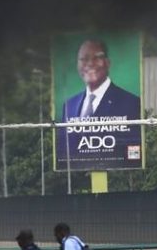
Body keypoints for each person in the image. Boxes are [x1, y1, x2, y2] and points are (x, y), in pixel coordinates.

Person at [57, 39, 142, 169]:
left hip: (117, 177)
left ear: (107, 63)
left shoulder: (131, 102)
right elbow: (65, 149)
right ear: (77, 65)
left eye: (97, 58)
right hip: (78, 178)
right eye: (84, 59)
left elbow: (132, 149)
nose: (90, 64)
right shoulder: (69, 105)